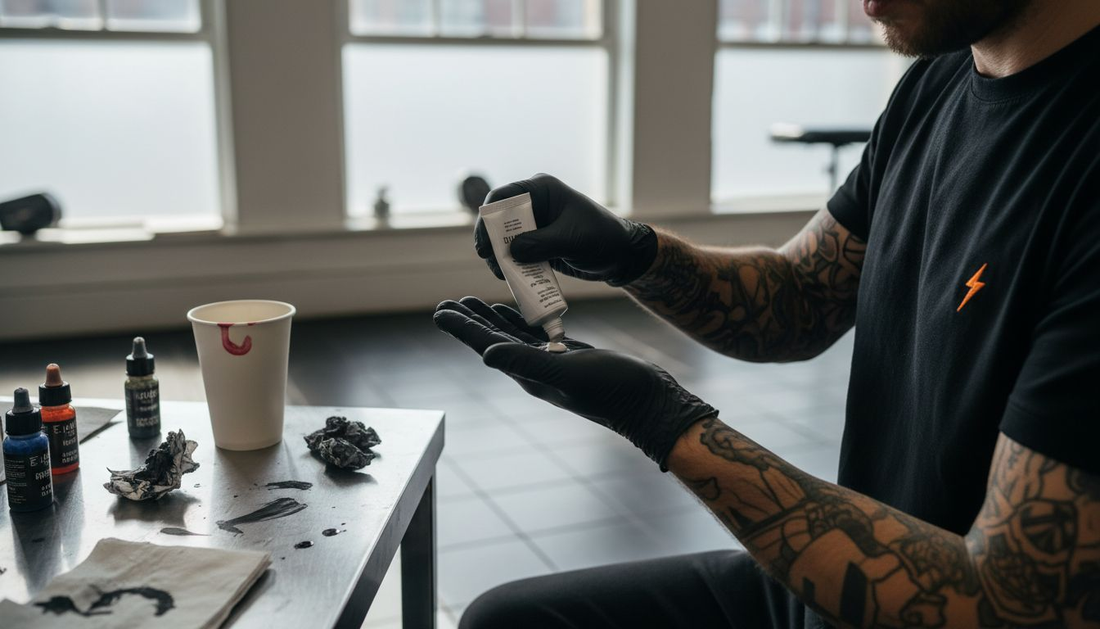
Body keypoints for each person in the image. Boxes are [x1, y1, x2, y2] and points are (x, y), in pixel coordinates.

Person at [433, 0, 1100, 625]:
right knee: (508, 620)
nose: (863, 4)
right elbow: (801, 298)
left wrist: (663, 423)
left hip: (933, 602)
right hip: (847, 578)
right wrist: (631, 253)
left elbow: (1010, 601)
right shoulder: (939, 80)